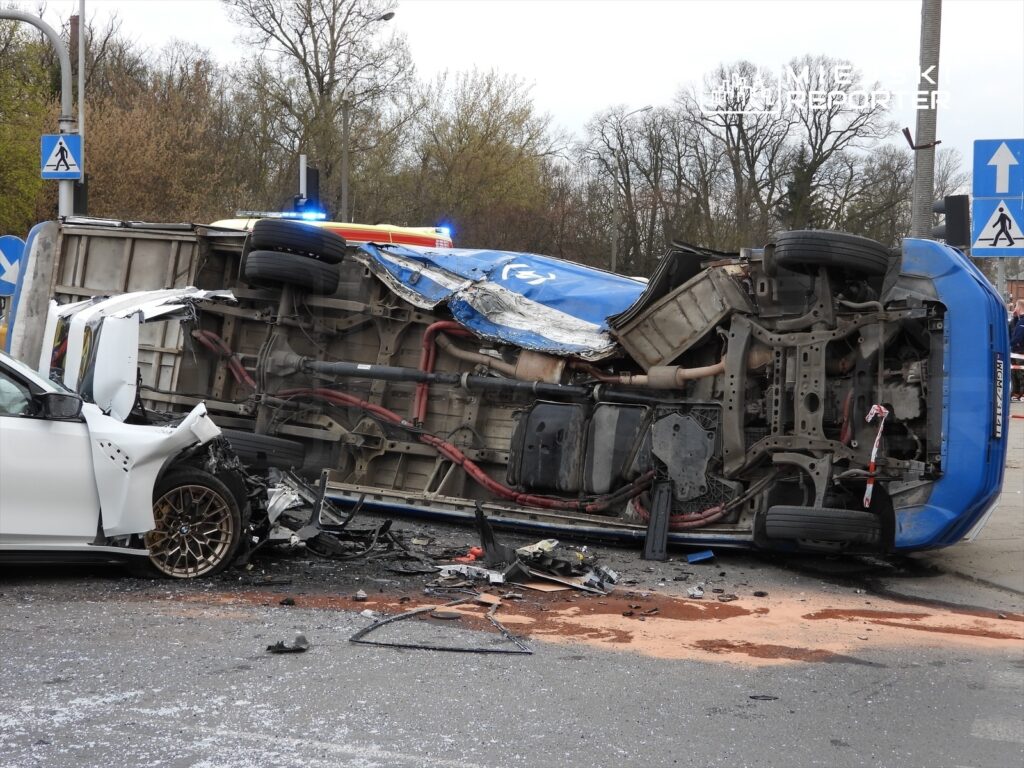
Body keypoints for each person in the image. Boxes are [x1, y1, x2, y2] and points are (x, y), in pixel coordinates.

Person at [1011, 299, 1024, 402]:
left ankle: (1022, 393)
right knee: (1014, 373)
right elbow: (1013, 329)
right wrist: (1015, 317)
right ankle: (1016, 392)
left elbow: (1018, 336)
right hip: (1015, 351)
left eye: (1016, 306)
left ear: (1019, 307)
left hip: (1021, 351)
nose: (1014, 309)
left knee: (1021, 373)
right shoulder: (1019, 320)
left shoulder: (1023, 321)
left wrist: (1010, 344)